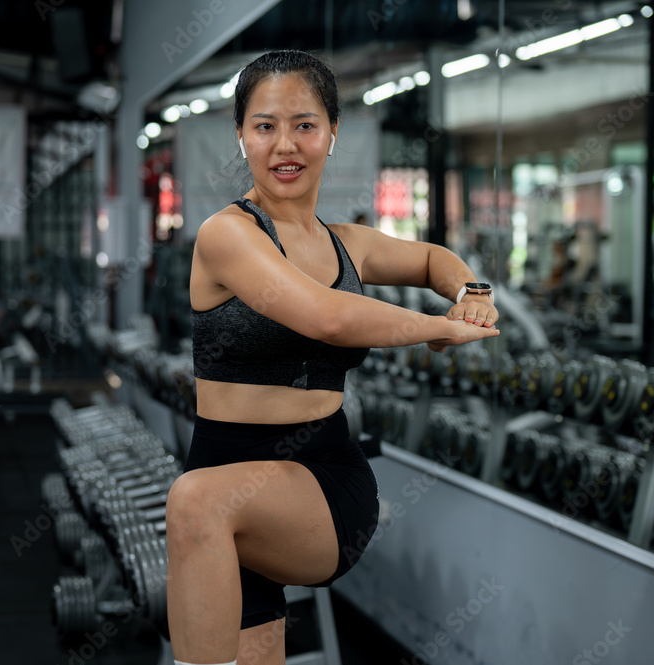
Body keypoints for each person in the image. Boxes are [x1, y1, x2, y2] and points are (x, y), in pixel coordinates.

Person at [166, 50, 499, 665]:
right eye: (264, 126)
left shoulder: (347, 243)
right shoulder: (227, 234)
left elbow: (430, 260)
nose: (284, 144)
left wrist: (470, 293)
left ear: (332, 133)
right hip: (224, 470)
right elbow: (329, 317)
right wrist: (434, 328)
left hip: (318, 479)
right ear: (240, 135)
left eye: (305, 124)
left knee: (193, 500)